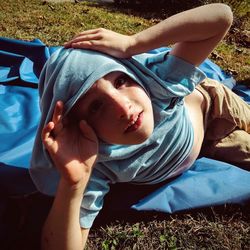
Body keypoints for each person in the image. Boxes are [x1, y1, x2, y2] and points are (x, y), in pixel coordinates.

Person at [29, 3, 249, 250]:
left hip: (213, 103)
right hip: (210, 143)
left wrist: (133, 44)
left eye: (121, 80)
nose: (123, 107)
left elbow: (221, 16)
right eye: (95, 107)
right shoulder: (97, 163)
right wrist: (73, 185)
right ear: (80, 126)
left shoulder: (159, 83)